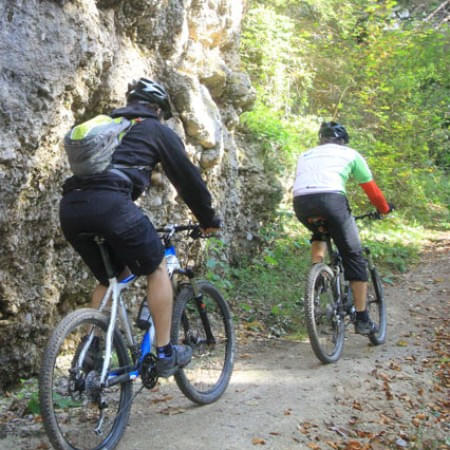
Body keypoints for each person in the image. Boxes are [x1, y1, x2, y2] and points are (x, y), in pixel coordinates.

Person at [59, 78, 221, 376]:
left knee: (111, 278)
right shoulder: (155, 129)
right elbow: (188, 180)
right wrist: (208, 220)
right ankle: (164, 353)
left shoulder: (104, 127)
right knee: (157, 267)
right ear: (158, 109)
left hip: (71, 208)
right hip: (112, 207)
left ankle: (90, 350)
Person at [293, 121, 393, 335]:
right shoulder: (350, 154)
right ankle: (363, 318)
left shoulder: (306, 155)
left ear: (321, 140)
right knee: (353, 255)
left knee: (319, 231)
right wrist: (383, 209)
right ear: (343, 142)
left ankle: (317, 274)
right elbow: (373, 192)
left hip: (301, 203)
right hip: (332, 201)